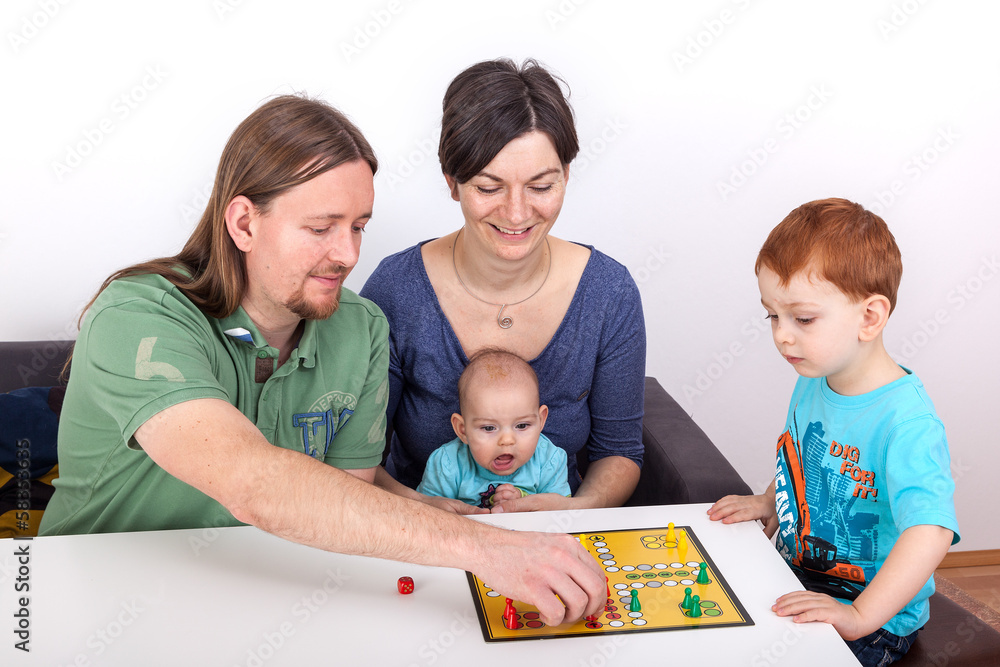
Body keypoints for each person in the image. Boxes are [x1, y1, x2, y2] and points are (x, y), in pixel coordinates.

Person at [38, 94, 606, 626]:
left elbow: (346, 504)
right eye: (320, 228)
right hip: (92, 605)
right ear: (243, 223)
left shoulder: (360, 328)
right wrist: (483, 548)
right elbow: (253, 481)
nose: (349, 254)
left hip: (266, 599)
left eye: (359, 227)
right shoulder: (136, 315)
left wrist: (477, 525)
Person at [361, 58, 645, 514]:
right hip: (419, 536)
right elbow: (356, 456)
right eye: (489, 187)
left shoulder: (609, 293)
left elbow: (620, 450)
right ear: (452, 182)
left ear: (566, 176)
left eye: (541, 185)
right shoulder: (396, 289)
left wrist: (571, 510)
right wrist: (421, 510)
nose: (516, 214)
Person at [708, 198, 960, 666]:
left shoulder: (907, 421)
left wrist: (860, 615)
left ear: (870, 317)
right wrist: (768, 501)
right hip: (795, 578)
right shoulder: (813, 381)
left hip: (871, 618)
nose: (782, 335)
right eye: (772, 316)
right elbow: (803, 466)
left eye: (802, 319)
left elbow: (931, 530)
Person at [417, 348, 571, 508]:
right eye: (489, 428)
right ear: (463, 430)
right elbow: (427, 513)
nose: (507, 440)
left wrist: (523, 501)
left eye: (522, 425)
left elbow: (561, 513)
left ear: (541, 420)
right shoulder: (447, 464)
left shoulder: (550, 460)